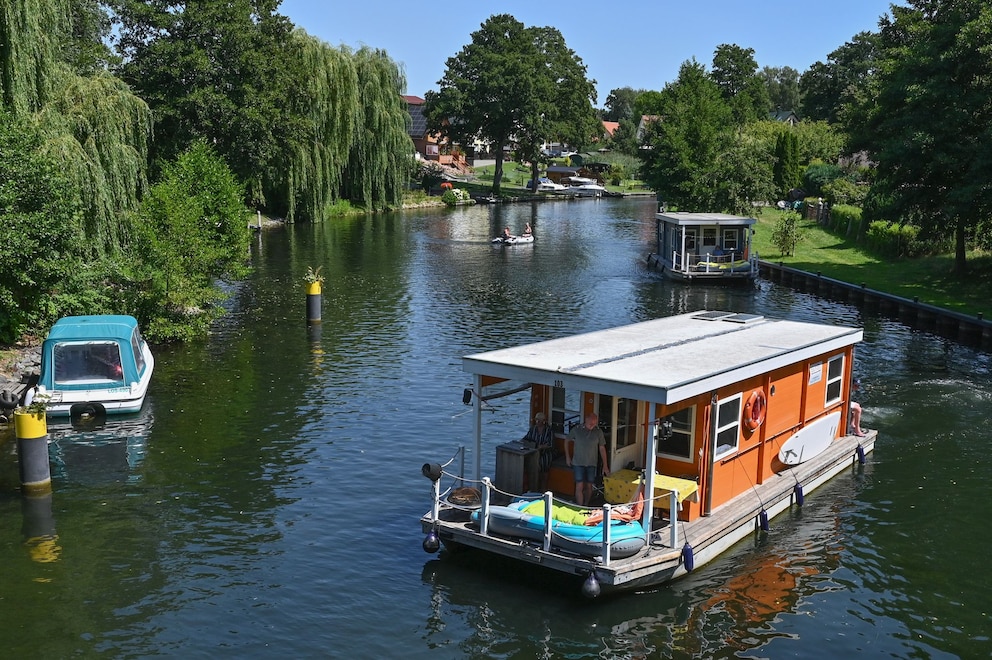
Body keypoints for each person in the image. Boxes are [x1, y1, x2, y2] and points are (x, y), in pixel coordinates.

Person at [566, 412, 609, 506]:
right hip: (578, 463)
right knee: (579, 485)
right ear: (586, 419)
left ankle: (586, 504)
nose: (592, 425)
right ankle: (580, 506)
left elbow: (602, 448)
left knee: (589, 486)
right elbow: (567, 440)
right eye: (591, 423)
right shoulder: (577, 430)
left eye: (594, 423)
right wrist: (568, 457)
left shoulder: (598, 432)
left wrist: (605, 465)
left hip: (592, 463)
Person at [522, 411, 554, 492]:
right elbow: (526, 439)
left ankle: (543, 488)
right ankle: (532, 488)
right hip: (534, 452)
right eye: (536, 420)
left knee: (543, 463)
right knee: (529, 462)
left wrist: (540, 447)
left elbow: (550, 444)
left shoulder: (549, 430)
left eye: (539, 420)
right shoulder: (533, 429)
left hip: (546, 452)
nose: (537, 422)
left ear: (544, 421)